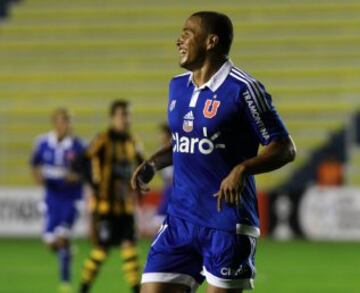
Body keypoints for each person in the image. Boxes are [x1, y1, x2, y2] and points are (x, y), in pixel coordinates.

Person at [132, 11, 296, 293]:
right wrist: (153, 163)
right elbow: (185, 138)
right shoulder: (177, 86)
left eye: (187, 32)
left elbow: (284, 148)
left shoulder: (243, 89)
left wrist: (242, 169)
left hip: (226, 224)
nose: (178, 40)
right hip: (179, 220)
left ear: (211, 41)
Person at [79, 100, 144, 293]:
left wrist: (141, 182)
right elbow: (84, 160)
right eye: (123, 115)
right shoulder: (103, 139)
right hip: (105, 206)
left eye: (128, 115)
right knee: (101, 250)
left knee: (130, 249)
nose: (127, 119)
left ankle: (136, 289)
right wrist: (93, 185)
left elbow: (143, 164)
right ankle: (83, 288)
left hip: (126, 206)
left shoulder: (132, 142)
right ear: (113, 117)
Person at [30, 108, 85, 293]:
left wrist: (75, 177)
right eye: (63, 121)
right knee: (51, 242)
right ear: (55, 123)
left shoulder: (78, 146)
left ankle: (65, 284)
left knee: (62, 238)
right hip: (51, 199)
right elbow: (34, 164)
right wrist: (38, 177)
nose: (67, 125)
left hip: (71, 199)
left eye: (69, 121)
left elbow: (86, 173)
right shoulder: (43, 142)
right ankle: (67, 252)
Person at [154, 123, 173, 224]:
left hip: (175, 190)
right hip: (168, 189)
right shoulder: (160, 151)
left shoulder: (175, 149)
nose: (160, 136)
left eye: (162, 134)